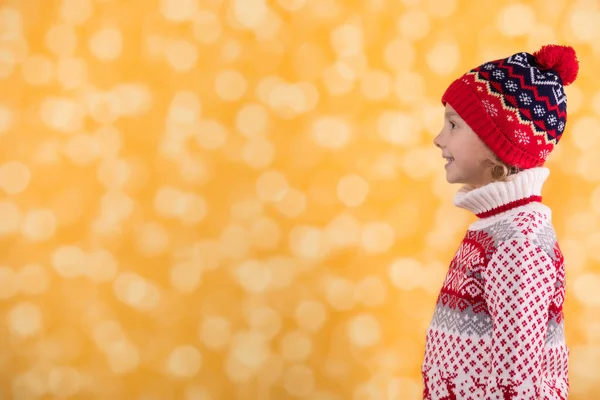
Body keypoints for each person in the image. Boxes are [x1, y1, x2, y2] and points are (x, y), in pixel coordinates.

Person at [422, 44, 579, 399]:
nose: (439, 139)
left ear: (497, 142)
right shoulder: (495, 227)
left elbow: (516, 386)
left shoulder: (519, 241)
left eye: (453, 124)